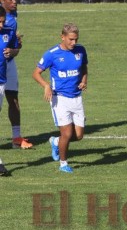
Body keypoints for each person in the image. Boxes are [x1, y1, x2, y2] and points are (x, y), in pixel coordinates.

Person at [32, 23, 88, 173]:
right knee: (67, 134)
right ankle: (63, 164)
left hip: (76, 98)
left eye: (76, 39)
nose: (73, 43)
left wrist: (84, 81)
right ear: (62, 37)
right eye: (70, 39)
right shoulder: (52, 54)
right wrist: (46, 85)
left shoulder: (81, 51)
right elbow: (36, 73)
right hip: (59, 99)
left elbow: (84, 67)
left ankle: (55, 141)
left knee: (79, 136)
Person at [0, 0, 32, 149]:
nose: (14, 2)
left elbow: (15, 46)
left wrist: (15, 47)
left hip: (9, 65)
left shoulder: (12, 15)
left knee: (13, 99)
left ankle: (16, 137)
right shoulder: (2, 18)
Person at [0, 6, 19, 159]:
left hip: (1, 82)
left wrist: (13, 51)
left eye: (2, 22)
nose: (1, 25)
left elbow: (16, 47)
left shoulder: (8, 32)